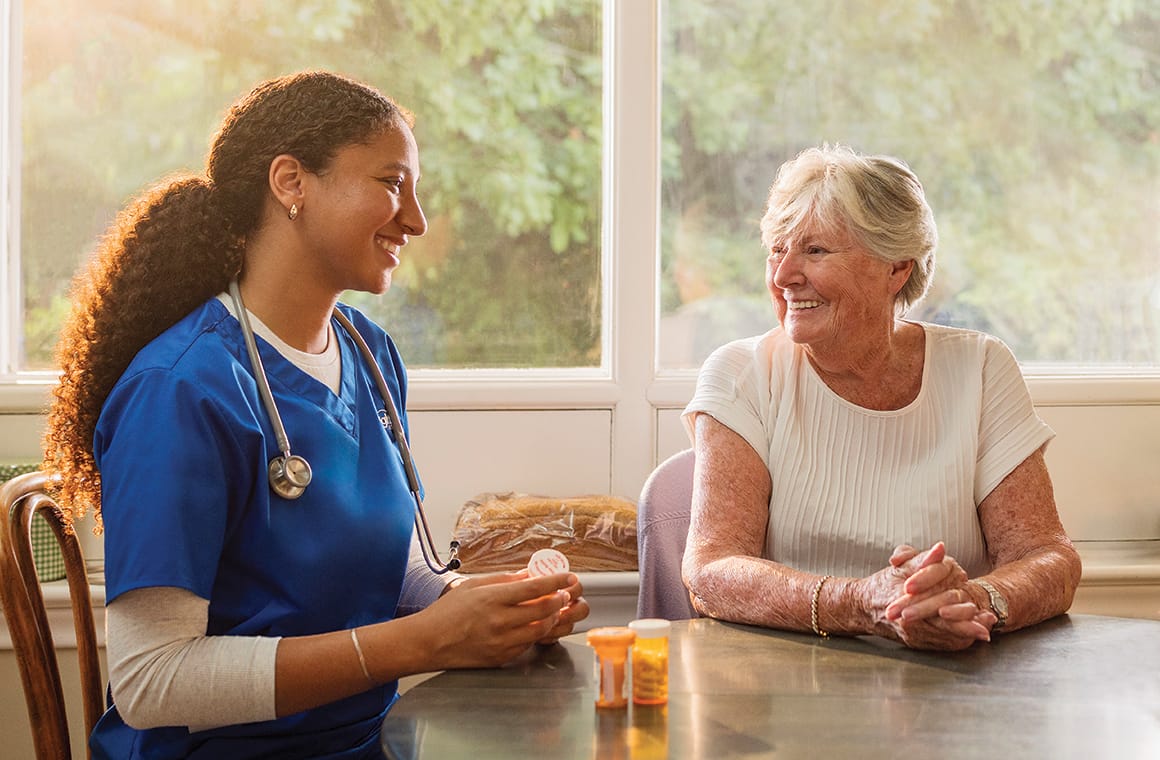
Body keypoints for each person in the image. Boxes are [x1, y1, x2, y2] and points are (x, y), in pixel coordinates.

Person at [41, 70, 588, 758]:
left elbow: (384, 574)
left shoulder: (370, 353)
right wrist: (420, 641)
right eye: (393, 183)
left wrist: (485, 607)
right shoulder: (181, 388)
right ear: (291, 182)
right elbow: (153, 680)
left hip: (369, 741)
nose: (415, 220)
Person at [680, 144, 1082, 652]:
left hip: (954, 682)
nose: (784, 277)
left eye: (815, 251)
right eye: (777, 249)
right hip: (793, 686)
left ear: (896, 268)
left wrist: (974, 604)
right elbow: (710, 570)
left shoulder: (979, 368)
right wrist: (862, 604)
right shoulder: (742, 375)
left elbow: (1050, 557)